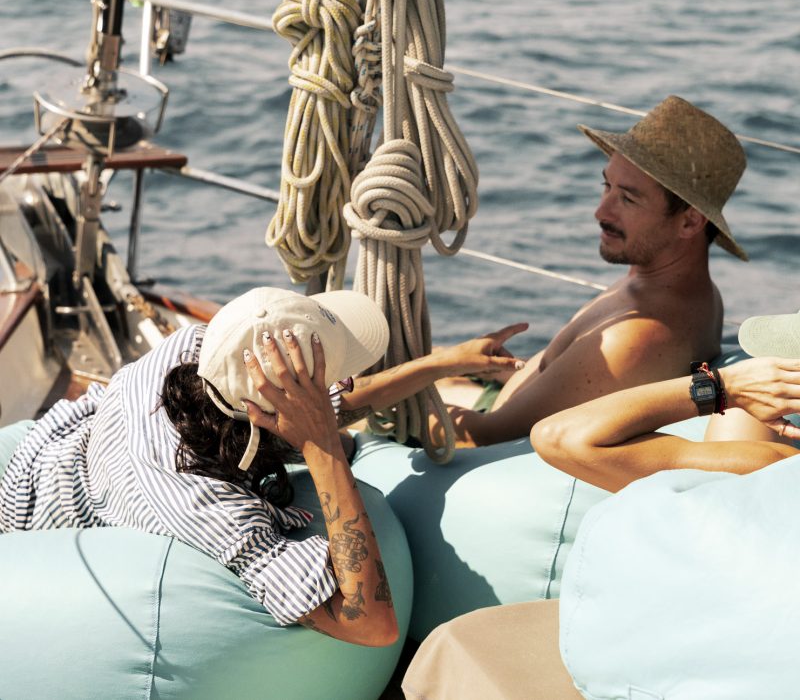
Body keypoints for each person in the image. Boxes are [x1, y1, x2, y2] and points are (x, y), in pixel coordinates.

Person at [0, 286, 525, 645]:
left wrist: (445, 362)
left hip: (56, 443)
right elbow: (371, 624)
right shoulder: (207, 509)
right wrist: (321, 447)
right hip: (35, 520)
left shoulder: (199, 349)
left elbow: (336, 400)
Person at [403, 309, 800, 699]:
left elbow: (561, 437)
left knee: (460, 641)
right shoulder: (774, 468)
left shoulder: (770, 469)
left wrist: (722, 386)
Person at [438, 94, 749, 447]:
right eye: (607, 186)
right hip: (497, 401)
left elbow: (484, 436)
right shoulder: (666, 285)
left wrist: (390, 392)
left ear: (690, 221)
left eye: (628, 198)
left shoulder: (639, 334)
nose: (601, 212)